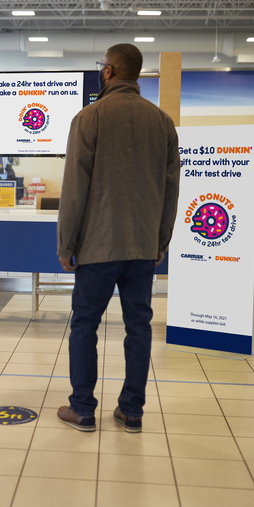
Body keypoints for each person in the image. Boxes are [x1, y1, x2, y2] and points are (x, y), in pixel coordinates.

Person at [56, 43, 180, 433]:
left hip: (97, 246)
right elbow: (171, 189)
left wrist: (66, 244)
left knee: (85, 324)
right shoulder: (162, 122)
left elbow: (74, 189)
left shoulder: (89, 117)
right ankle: (132, 411)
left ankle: (82, 408)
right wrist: (161, 241)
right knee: (138, 327)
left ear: (108, 71)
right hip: (142, 245)